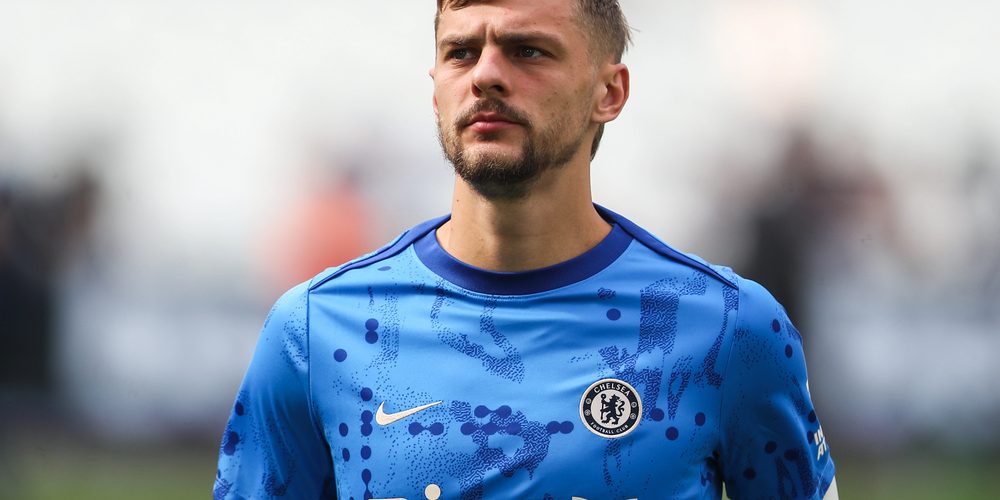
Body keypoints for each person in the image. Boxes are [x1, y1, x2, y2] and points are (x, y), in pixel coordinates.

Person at [214, 0, 838, 498]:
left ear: (610, 92)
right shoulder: (316, 331)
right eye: (461, 52)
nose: (485, 74)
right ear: (435, 89)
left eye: (528, 51)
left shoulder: (728, 328)